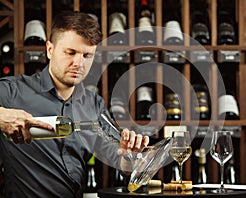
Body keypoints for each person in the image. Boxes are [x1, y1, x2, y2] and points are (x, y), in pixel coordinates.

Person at [0, 11, 149, 198]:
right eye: (70, 53)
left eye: (87, 55)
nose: (79, 63)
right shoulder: (13, 92)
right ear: (49, 50)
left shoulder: (93, 104)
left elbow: (119, 159)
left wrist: (130, 156)